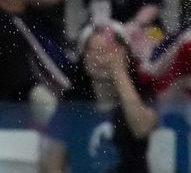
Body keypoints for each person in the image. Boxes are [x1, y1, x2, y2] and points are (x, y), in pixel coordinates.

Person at [42, 23, 159, 173]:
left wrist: (118, 70)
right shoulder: (72, 101)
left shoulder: (143, 92)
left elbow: (142, 129)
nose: (101, 59)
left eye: (108, 52)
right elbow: (53, 157)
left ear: (125, 55)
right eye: (93, 51)